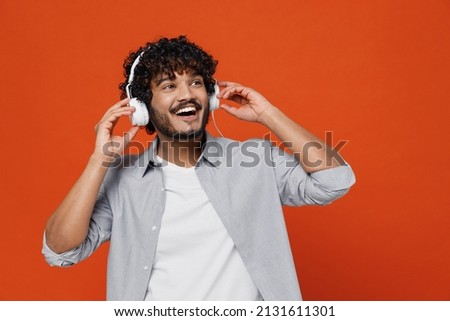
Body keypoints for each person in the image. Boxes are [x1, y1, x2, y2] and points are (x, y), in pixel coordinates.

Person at [42, 35, 356, 301]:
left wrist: (268, 114)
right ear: (141, 109)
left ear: (211, 97)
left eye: (195, 82)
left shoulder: (257, 160)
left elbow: (335, 180)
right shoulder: (124, 180)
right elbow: (60, 250)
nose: (187, 94)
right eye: (169, 86)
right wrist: (99, 161)